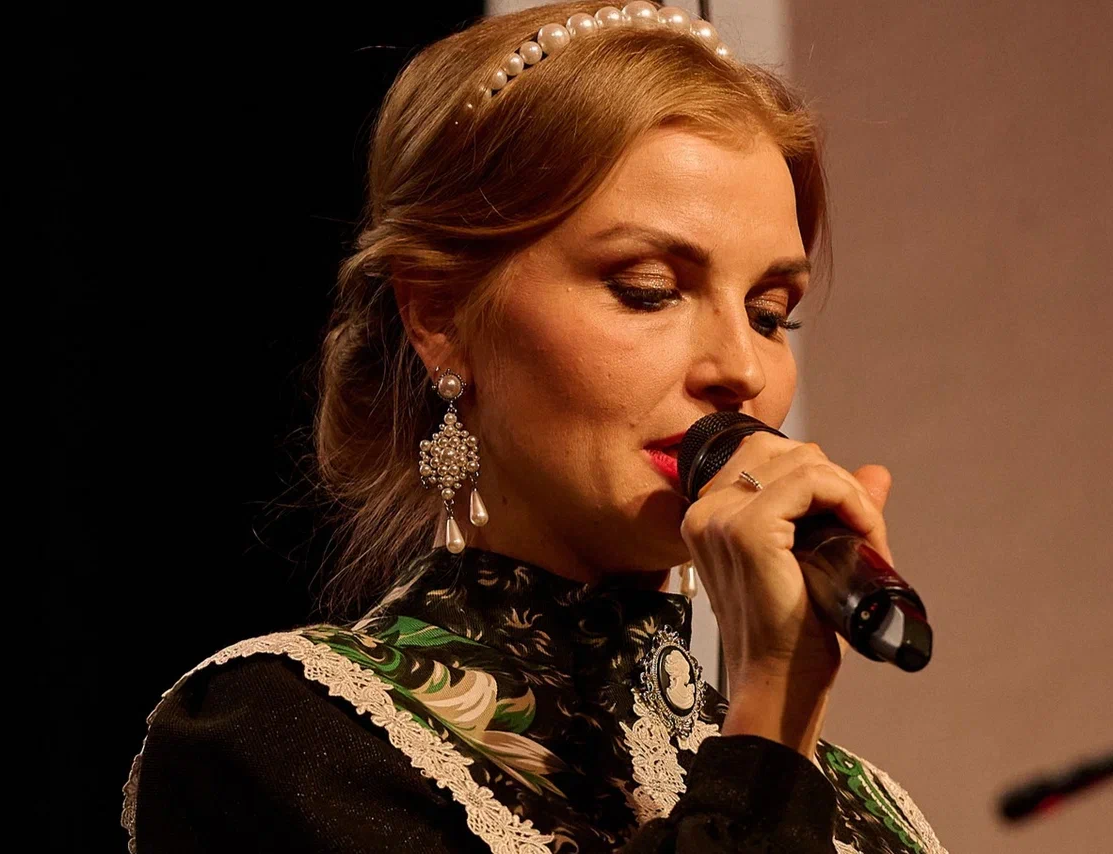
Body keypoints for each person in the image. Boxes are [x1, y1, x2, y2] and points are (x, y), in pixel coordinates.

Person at [121, 3, 948, 852]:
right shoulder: (284, 740)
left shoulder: (865, 809)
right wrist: (769, 732)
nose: (741, 369)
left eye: (769, 313)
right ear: (440, 316)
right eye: (649, 290)